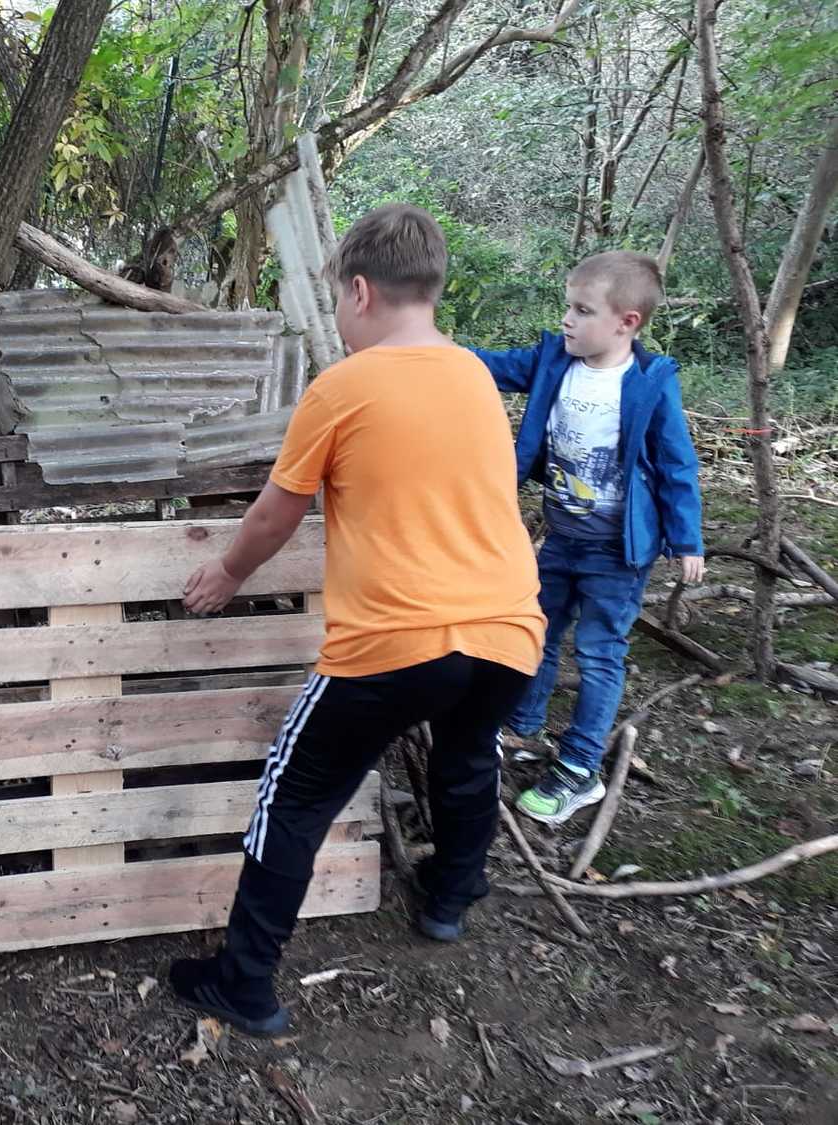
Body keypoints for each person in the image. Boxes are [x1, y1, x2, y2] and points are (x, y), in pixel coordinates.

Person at [170, 204, 545, 1036]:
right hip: (510, 629)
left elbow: (275, 514)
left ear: (361, 292)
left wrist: (227, 573)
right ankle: (449, 898)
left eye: (340, 298)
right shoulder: (476, 378)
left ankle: (244, 981)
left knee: (294, 792)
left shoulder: (344, 385)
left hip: (394, 642)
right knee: (466, 758)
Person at [471, 251, 704, 826]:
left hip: (618, 553)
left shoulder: (649, 384)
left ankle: (579, 768)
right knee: (538, 631)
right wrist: (423, 347)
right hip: (561, 536)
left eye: (582, 310)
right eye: (568, 307)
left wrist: (687, 540)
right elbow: (484, 366)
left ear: (627, 322)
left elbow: (677, 465)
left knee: (599, 652)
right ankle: (522, 728)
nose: (567, 320)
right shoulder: (554, 360)